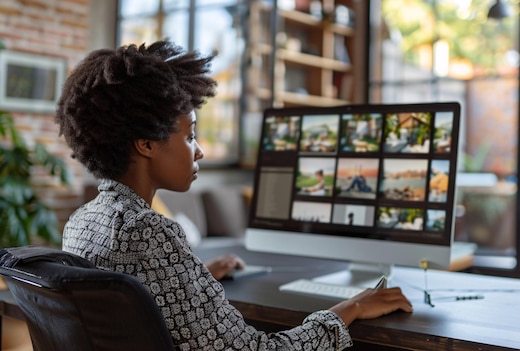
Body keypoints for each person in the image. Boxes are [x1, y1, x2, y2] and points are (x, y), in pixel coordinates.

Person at [56, 39, 412, 351]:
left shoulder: (83, 221)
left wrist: (193, 277)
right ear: (147, 144)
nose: (199, 151)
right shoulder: (149, 232)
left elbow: (131, 308)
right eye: (189, 135)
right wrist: (352, 307)